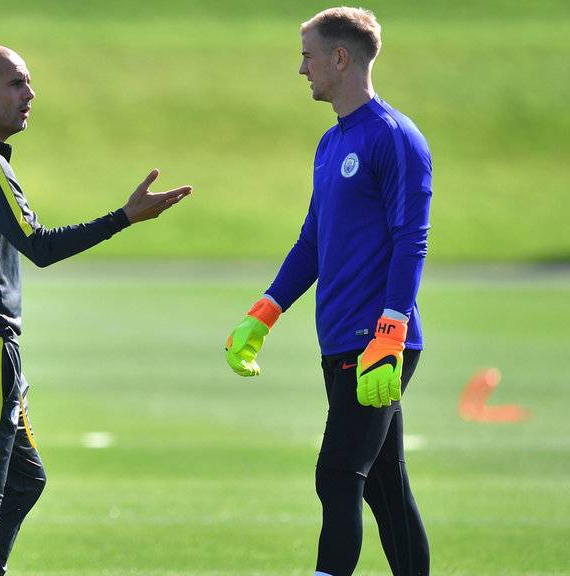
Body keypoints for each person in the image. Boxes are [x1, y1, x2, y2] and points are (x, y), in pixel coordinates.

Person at [0, 44, 191, 576]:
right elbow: (39, 246)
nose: (30, 95)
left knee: (24, 480)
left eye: (28, 83)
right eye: (16, 84)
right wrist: (124, 217)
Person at [225, 8, 431, 576]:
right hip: (339, 339)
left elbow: (412, 240)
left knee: (338, 474)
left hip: (377, 344)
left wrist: (390, 331)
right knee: (385, 485)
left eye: (307, 54)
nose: (301, 68)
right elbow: (312, 244)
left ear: (340, 58)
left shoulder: (395, 137)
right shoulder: (328, 144)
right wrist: (262, 314)